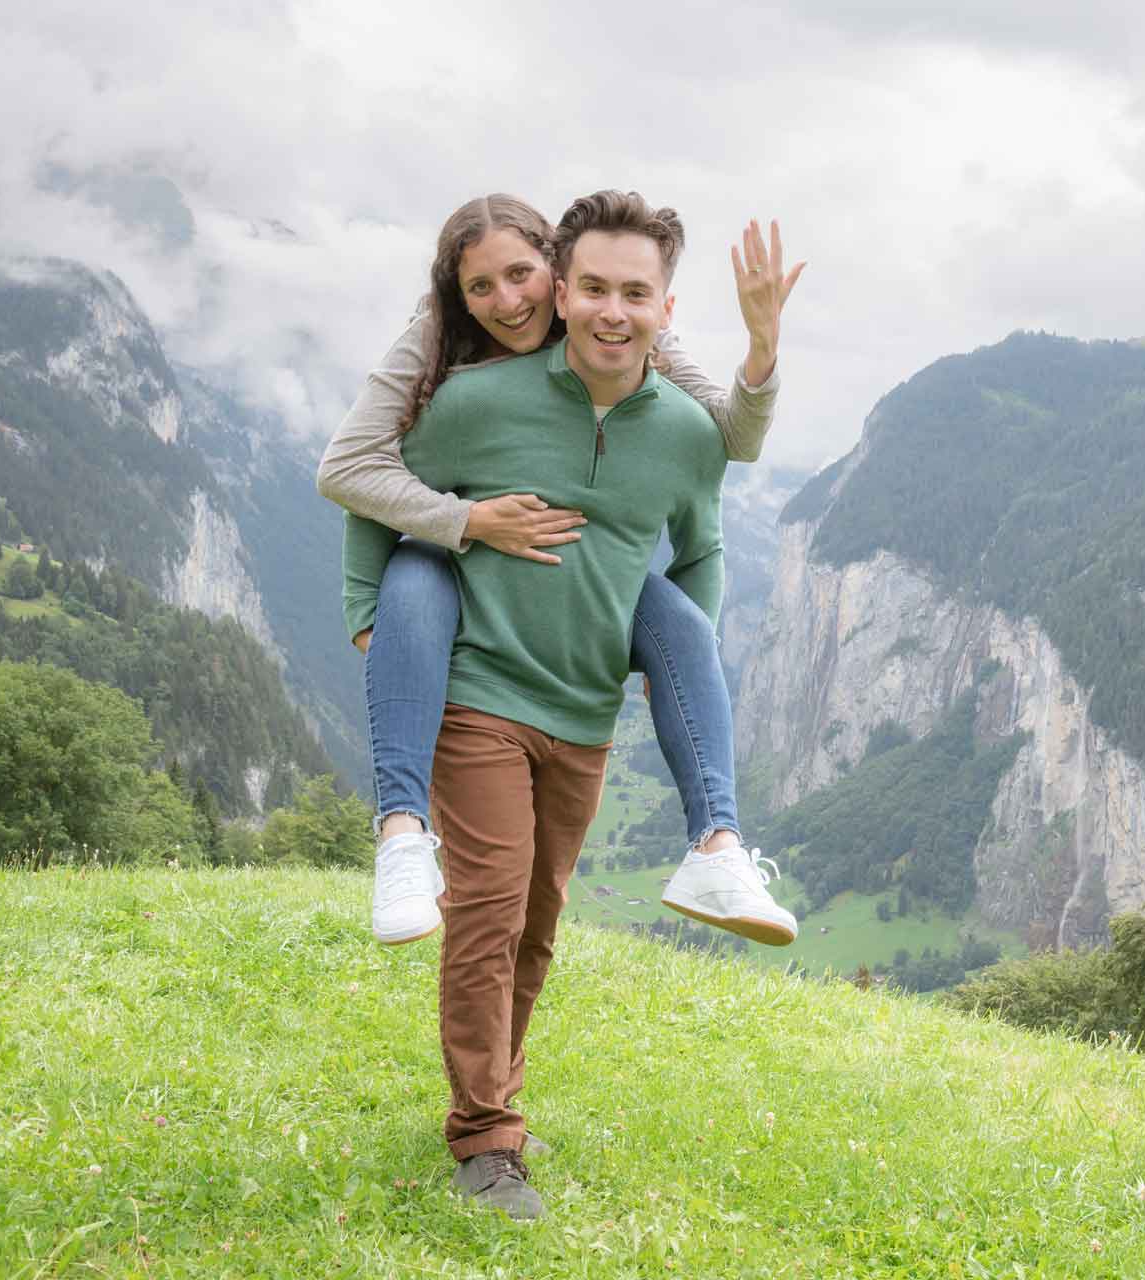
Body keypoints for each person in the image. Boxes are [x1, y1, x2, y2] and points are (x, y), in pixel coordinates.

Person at [341, 190, 767, 1218]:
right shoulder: (474, 399)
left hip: (579, 709)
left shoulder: (685, 433)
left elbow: (700, 551)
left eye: (637, 293)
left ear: (668, 308)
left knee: (536, 923)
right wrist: (372, 605)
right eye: (594, 288)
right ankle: (486, 1138)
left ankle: (499, 1095)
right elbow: (369, 483)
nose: (612, 309)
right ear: (565, 290)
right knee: (487, 911)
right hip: (478, 689)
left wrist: (650, 658)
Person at [317, 193, 803, 950]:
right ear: (458, 295)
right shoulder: (437, 347)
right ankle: (402, 838)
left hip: (585, 597)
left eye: (522, 275)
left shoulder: (617, 331)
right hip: (453, 560)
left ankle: (717, 848)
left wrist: (763, 347)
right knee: (413, 568)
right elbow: (360, 474)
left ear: (555, 272)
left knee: (678, 617)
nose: (508, 301)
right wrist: (394, 584)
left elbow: (728, 441)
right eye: (481, 287)